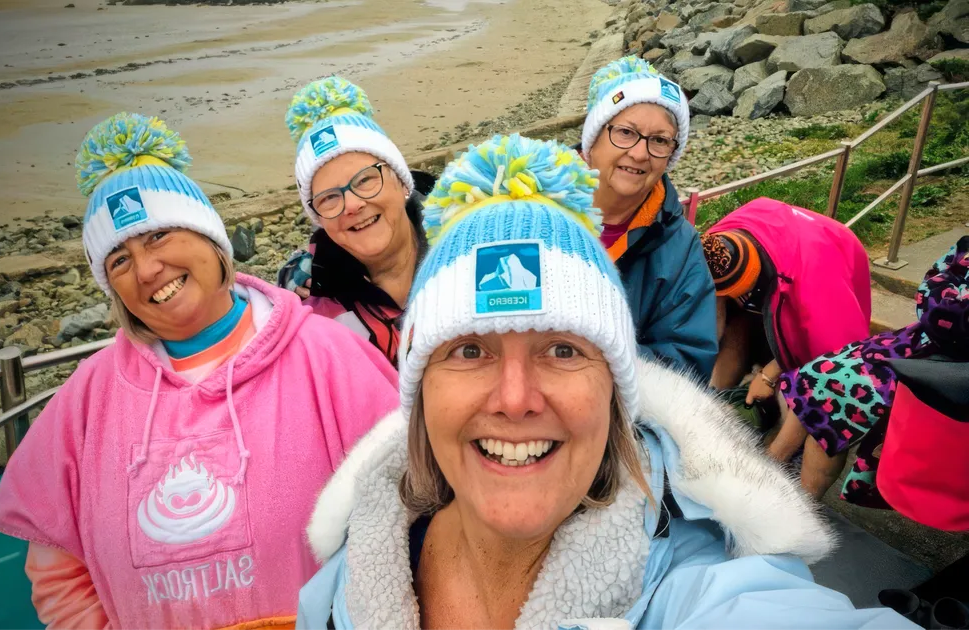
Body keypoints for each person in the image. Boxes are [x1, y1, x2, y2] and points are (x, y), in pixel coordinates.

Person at [295, 134, 914, 629]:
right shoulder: (341, 585)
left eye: (563, 349)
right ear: (419, 390)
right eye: (469, 350)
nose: (515, 400)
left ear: (618, 387)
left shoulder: (696, 581)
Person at [0, 113, 399, 629]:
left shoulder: (327, 357)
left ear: (211, 239)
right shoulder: (89, 396)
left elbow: (405, 508)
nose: (145, 270)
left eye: (158, 237)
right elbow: (58, 573)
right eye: (118, 260)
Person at [768, 236, 969, 502]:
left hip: (949, 364)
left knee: (832, 393)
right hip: (925, 340)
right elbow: (934, 290)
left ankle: (798, 500)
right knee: (819, 370)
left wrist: (943, 292)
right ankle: (774, 464)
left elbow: (944, 308)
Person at [578, 56, 717, 380]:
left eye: (659, 140)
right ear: (592, 141)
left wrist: (576, 355)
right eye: (625, 132)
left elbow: (687, 360)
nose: (640, 154)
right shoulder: (530, 212)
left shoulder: (679, 248)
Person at [277, 76, 430, 366]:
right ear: (318, 218)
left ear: (401, 181)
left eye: (365, 180)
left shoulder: (466, 248)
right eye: (329, 198)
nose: (352, 205)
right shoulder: (308, 304)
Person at [704, 197, 873, 418]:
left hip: (830, 256)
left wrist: (769, 374)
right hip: (783, 246)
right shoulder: (716, 242)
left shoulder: (817, 280)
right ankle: (713, 400)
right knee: (739, 325)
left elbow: (837, 356)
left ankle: (777, 450)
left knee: (819, 382)